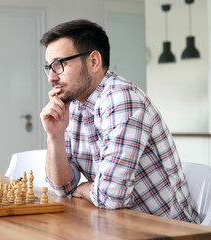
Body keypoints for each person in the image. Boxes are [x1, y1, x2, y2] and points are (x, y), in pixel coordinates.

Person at [39, 19, 199, 223]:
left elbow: (110, 197)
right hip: (118, 226)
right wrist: (55, 136)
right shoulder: (77, 106)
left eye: (59, 64)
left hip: (168, 230)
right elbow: (63, 188)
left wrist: (85, 188)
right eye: (49, 67)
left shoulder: (121, 99)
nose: (51, 77)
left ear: (94, 61)